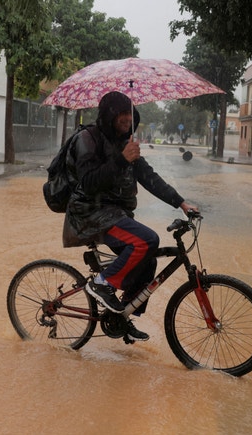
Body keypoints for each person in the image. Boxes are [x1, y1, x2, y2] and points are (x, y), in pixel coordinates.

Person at [62, 91, 198, 342]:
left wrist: (181, 202)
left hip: (114, 214)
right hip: (90, 214)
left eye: (129, 114)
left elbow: (150, 178)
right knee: (146, 241)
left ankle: (122, 315)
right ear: (109, 115)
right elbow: (89, 183)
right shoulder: (87, 139)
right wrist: (121, 160)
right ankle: (102, 283)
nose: (126, 119)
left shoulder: (125, 144)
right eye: (121, 113)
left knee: (149, 261)